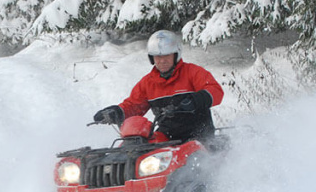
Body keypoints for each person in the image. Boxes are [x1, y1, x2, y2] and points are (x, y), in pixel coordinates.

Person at [93, 29, 224, 141]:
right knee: (140, 148)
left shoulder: (192, 72)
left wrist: (195, 100)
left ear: (176, 55)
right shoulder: (148, 83)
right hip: (166, 137)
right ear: (152, 58)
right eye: (157, 57)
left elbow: (216, 91)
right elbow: (134, 105)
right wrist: (117, 112)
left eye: (167, 56)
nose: (162, 61)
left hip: (198, 135)